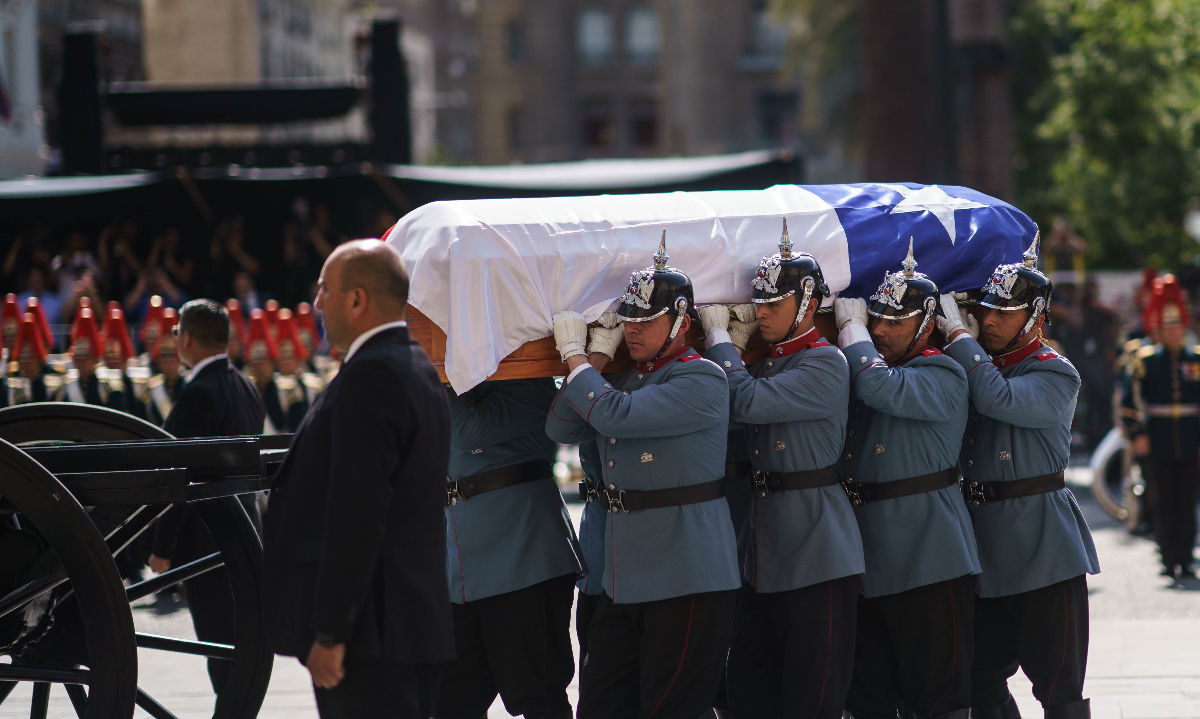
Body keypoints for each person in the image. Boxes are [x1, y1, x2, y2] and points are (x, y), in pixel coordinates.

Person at [546, 233, 740, 718]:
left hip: (685, 575)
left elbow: (616, 418)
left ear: (681, 321)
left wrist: (574, 359)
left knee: (670, 709)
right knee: (602, 707)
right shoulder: (624, 377)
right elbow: (561, 426)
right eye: (628, 319)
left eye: (645, 320)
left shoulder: (702, 378)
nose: (632, 329)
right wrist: (598, 360)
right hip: (624, 579)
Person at [261, 239, 454, 718]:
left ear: (357, 299)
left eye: (325, 289)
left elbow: (357, 515)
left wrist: (331, 633)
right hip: (404, 626)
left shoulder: (373, 376)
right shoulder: (413, 367)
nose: (317, 302)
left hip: (371, 637)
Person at [700, 221, 864, 718]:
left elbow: (742, 400)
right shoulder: (769, 362)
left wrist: (720, 340)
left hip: (817, 550)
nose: (762, 313)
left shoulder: (824, 363)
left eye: (774, 304)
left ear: (809, 305)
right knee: (749, 691)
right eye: (759, 303)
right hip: (762, 551)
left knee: (811, 697)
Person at [938, 238, 1100, 719]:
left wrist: (961, 341)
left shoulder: (1055, 373)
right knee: (979, 677)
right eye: (985, 310)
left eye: (1003, 313)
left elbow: (999, 400)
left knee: (1059, 686)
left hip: (1042, 544)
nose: (988, 321)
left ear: (1035, 318)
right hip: (983, 541)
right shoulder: (978, 367)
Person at [835, 240, 980, 719]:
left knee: (937, 694)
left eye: (892, 322)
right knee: (872, 695)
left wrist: (851, 329)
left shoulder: (943, 372)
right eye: (873, 319)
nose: (879, 329)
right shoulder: (865, 368)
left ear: (924, 325)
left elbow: (879, 385)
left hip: (928, 553)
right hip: (870, 551)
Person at [145, 299, 266, 712]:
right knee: (236, 649)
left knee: (220, 652)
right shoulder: (245, 386)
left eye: (177, 333)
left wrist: (162, 548)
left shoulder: (197, 394)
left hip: (205, 545)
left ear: (188, 340)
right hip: (244, 536)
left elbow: (177, 478)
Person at [437, 376, 582, 719]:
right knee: (449, 702)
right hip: (458, 571)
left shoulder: (528, 379)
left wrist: (440, 379)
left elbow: (466, 431)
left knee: (538, 696)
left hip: (523, 558)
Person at [1121, 275, 1200, 581]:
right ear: (1160, 330)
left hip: (1191, 440)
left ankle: (1186, 557)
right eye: (1168, 328)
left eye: (1177, 326)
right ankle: (1169, 558)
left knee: (1187, 500)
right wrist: (1137, 434)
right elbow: (1128, 403)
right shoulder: (1146, 361)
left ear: (1184, 328)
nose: (1173, 332)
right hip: (1158, 440)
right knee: (1162, 501)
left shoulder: (1196, 359)